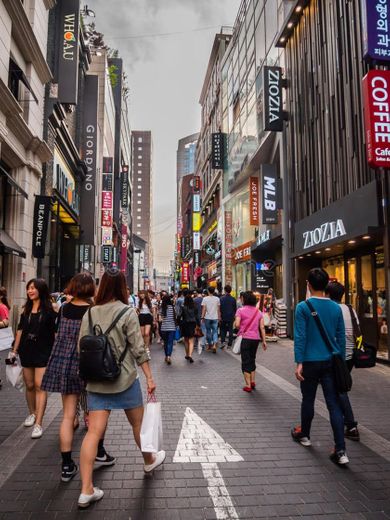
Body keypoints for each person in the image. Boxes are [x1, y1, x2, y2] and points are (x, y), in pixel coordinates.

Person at [77, 268, 165, 509]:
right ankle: (149, 460)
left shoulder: (91, 313)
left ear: (102, 286)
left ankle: (86, 490)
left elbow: (81, 348)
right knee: (138, 425)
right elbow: (138, 349)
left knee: (93, 433)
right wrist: (149, 377)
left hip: (96, 382)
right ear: (123, 288)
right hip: (124, 379)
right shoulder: (128, 312)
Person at [41, 273, 114, 482]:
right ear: (91, 289)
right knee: (96, 412)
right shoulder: (94, 311)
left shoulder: (64, 308)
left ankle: (66, 465)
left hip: (65, 362)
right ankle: (99, 451)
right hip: (90, 364)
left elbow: (57, 335)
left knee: (67, 416)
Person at [292, 268, 348, 465]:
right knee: (333, 404)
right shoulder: (336, 308)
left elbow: (300, 336)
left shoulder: (303, 307)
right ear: (326, 284)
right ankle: (340, 450)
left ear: (308, 284)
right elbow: (340, 338)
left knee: (308, 399)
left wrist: (299, 362)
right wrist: (339, 359)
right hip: (331, 362)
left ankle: (305, 435)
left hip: (309, 361)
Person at [10, 279, 57, 439]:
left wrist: (55, 352)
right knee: (29, 385)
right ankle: (32, 413)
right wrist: (14, 351)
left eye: (33, 288)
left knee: (39, 385)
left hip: (44, 351)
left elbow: (55, 334)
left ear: (41, 290)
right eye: (28, 288)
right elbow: (20, 331)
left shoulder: (50, 311)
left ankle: (39, 423)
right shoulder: (26, 310)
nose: (30, 291)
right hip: (27, 350)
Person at [325, 281, 360, 441]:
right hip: (351, 355)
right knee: (340, 387)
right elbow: (358, 332)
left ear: (328, 294)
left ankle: (351, 425)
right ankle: (347, 421)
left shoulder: (332, 310)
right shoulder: (350, 309)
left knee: (340, 390)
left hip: (338, 356)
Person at [234, 291, 267, 392]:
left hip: (245, 338)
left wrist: (237, 323)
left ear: (245, 299)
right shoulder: (259, 312)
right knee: (252, 359)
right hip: (256, 339)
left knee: (246, 361)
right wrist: (264, 341)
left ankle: (248, 385)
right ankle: (253, 381)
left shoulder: (240, 310)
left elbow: (237, 325)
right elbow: (262, 327)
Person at [179, 293, 200, 363]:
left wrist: (178, 322)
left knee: (186, 340)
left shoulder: (183, 307)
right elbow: (197, 317)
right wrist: (198, 324)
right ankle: (190, 355)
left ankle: (187, 354)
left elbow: (179, 316)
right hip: (192, 324)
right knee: (191, 341)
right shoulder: (195, 307)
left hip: (185, 324)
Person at [201, 286, 221, 353]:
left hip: (207, 317)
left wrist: (202, 317)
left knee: (208, 331)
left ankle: (210, 345)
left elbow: (204, 309)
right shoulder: (217, 299)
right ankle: (214, 345)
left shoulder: (205, 299)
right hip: (215, 317)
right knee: (215, 331)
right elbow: (218, 309)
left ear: (208, 291)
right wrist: (219, 317)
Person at [160, 294, 176, 364]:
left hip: (164, 328)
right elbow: (175, 316)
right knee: (170, 342)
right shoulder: (172, 308)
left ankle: (166, 356)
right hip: (172, 327)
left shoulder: (162, 308)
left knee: (165, 343)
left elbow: (160, 319)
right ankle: (169, 356)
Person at [220, 285, 237, 349]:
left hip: (223, 316)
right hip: (231, 316)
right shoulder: (233, 299)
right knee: (230, 330)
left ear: (225, 290)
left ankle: (223, 342)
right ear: (230, 291)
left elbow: (220, 308)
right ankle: (230, 344)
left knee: (222, 329)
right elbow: (235, 309)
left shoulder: (221, 298)